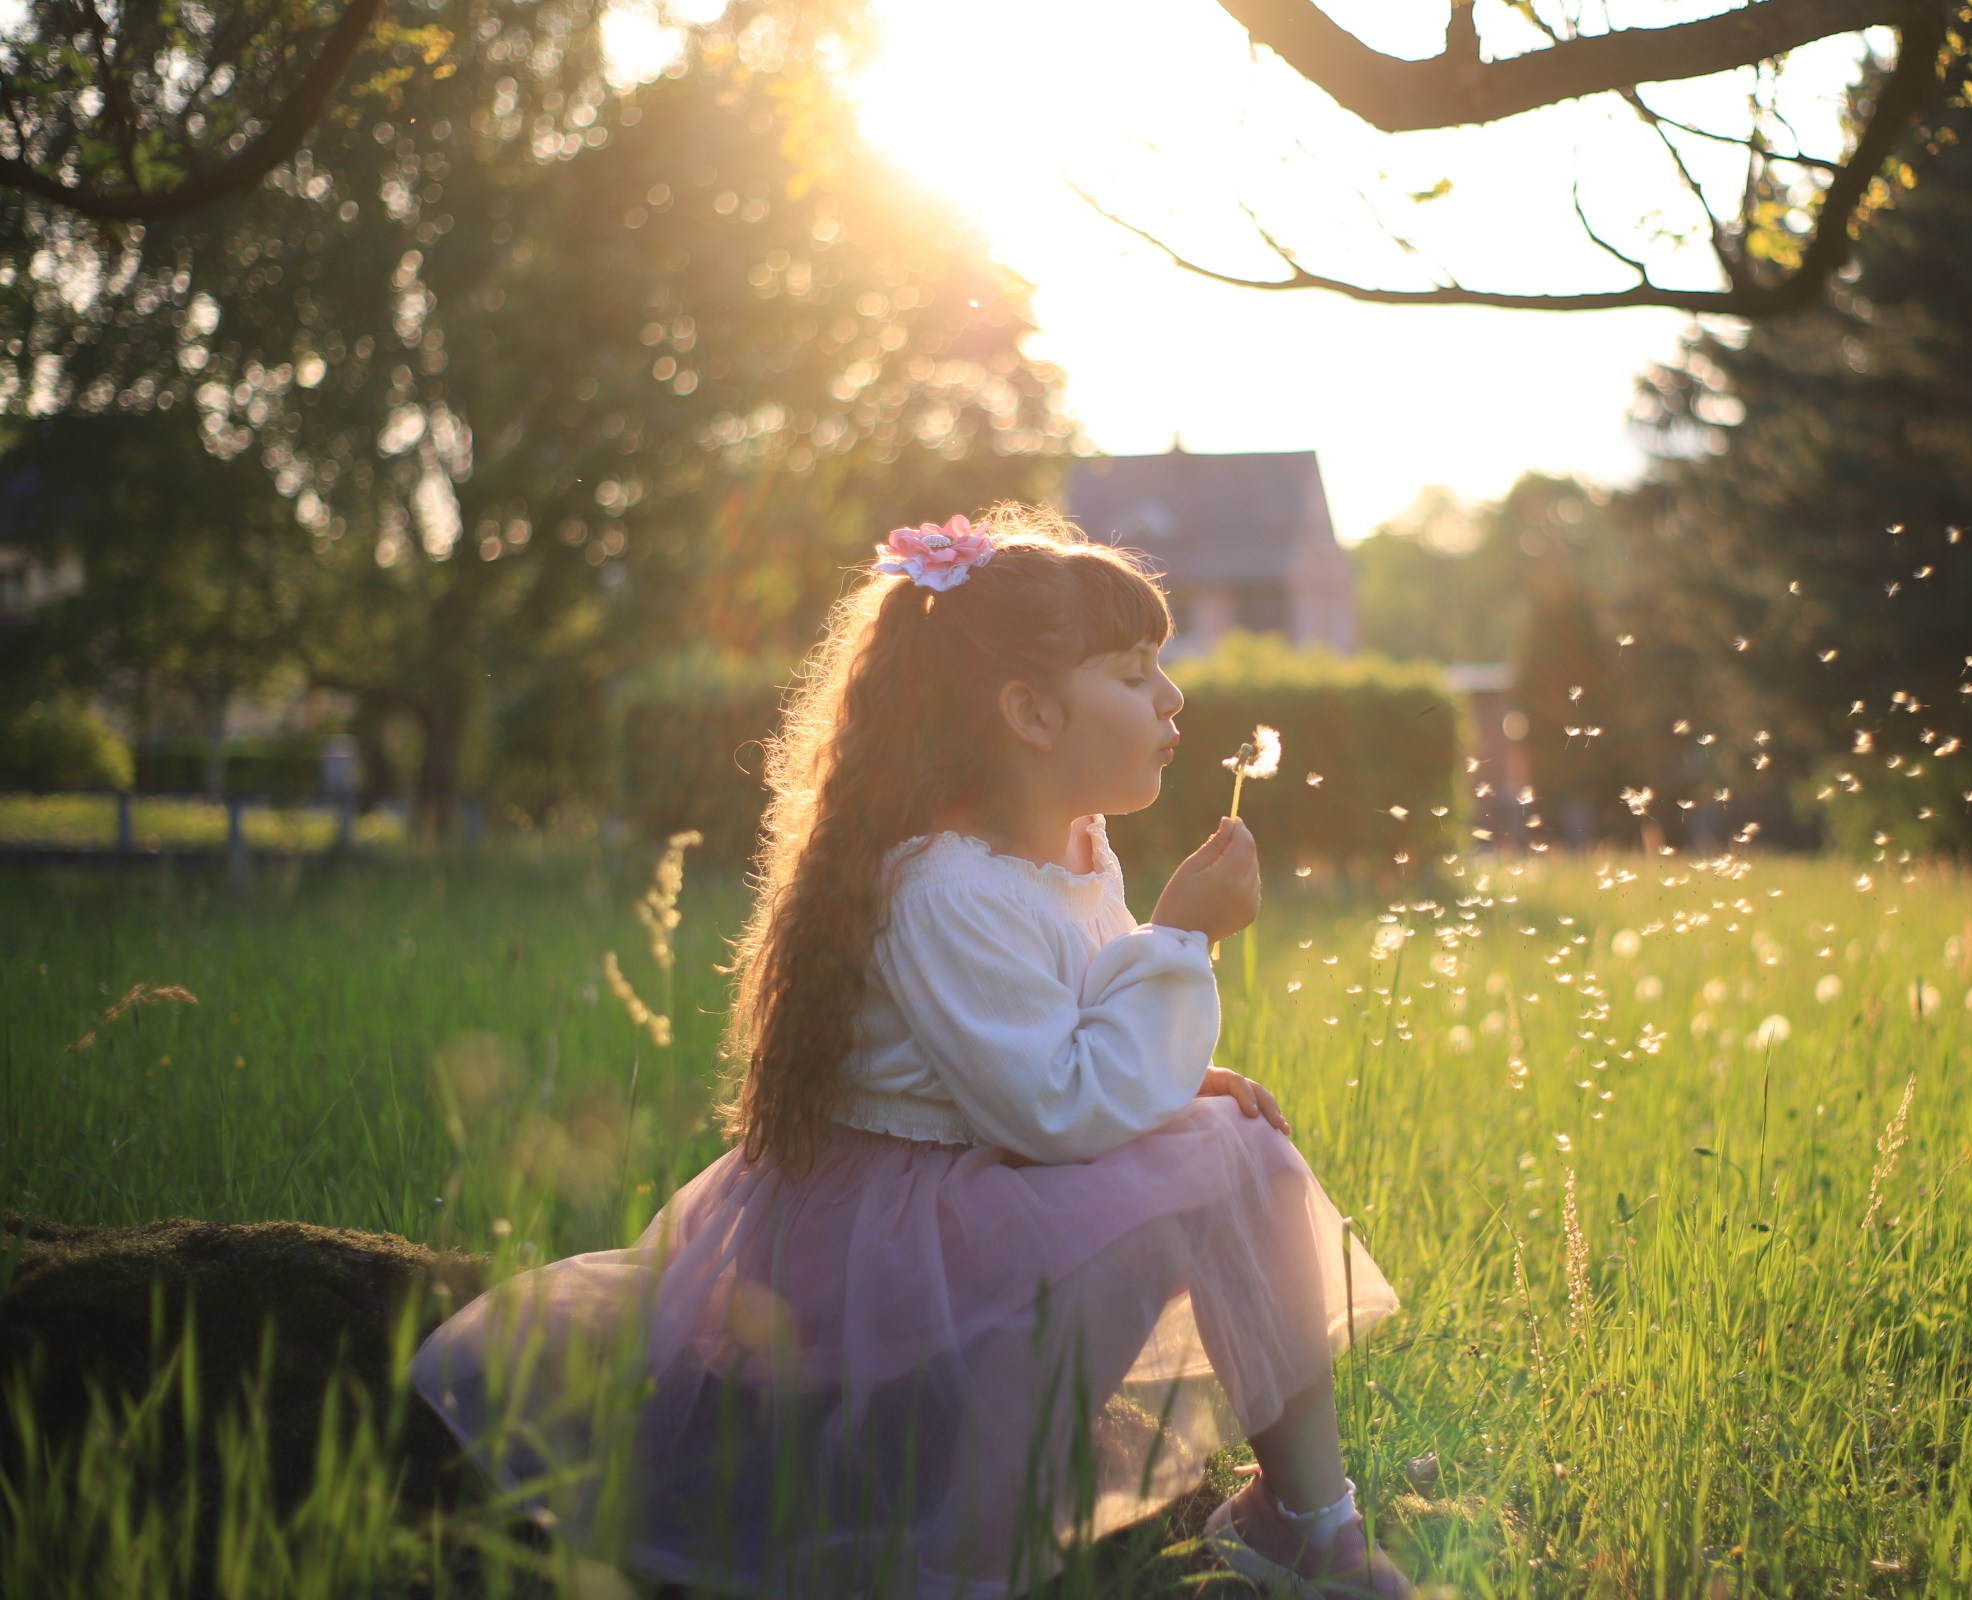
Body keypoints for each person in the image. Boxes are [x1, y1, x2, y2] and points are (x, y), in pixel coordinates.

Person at [410, 505, 1407, 1599]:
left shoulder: (1075, 847)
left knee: (1238, 1142)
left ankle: (1310, 1519)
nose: (1171, 697)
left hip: (994, 1185)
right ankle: (960, 1547)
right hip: (899, 1247)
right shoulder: (942, 888)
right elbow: (1051, 1106)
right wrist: (1184, 939)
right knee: (1221, 1156)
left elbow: (1072, 1031)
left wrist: (1175, 1077)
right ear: (1028, 711)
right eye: (1131, 674)